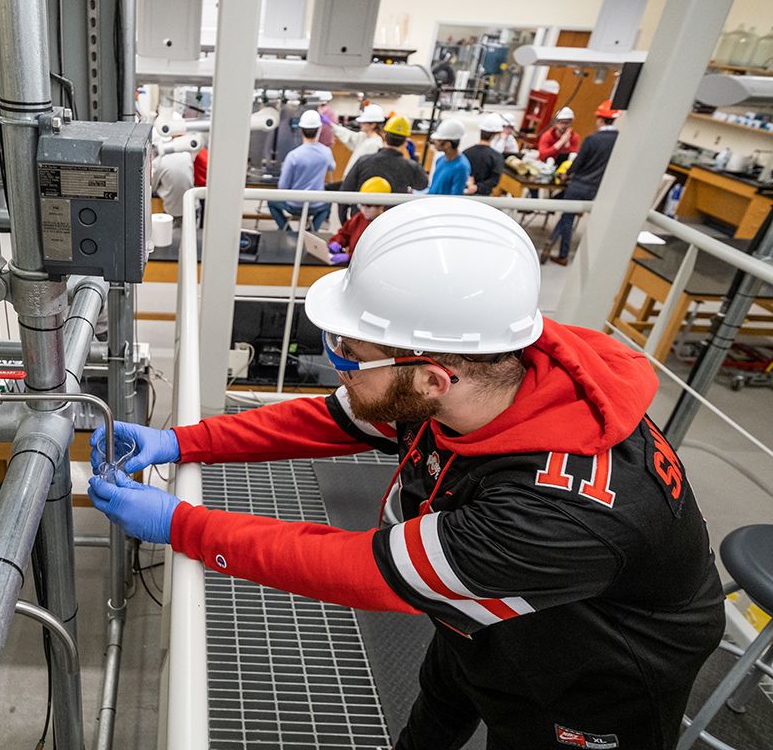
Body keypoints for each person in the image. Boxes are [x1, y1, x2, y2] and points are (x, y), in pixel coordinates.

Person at [87, 198, 724, 750]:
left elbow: (366, 569)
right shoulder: (487, 368)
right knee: (443, 697)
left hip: (588, 674)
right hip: (486, 621)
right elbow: (331, 421)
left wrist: (182, 525)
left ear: (431, 378)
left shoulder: (555, 513)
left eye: (351, 353)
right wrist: (178, 441)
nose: (335, 363)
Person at [542, 100, 622, 266]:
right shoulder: (619, 140)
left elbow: (577, 162)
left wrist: (566, 174)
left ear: (600, 119)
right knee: (566, 215)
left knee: (567, 217)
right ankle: (551, 241)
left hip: (579, 185)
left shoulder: (592, 140)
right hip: (596, 187)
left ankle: (563, 254)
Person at [338, 116, 427, 222]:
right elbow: (422, 184)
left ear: (384, 136)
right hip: (390, 224)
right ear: (405, 142)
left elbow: (344, 193)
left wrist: (346, 224)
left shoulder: (364, 161)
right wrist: (415, 160)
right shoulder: (411, 166)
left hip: (361, 221)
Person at [266, 109, 335, 231]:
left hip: (294, 205)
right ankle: (311, 232)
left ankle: (287, 231)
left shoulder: (293, 156)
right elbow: (332, 167)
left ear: (301, 130)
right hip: (316, 205)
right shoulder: (326, 152)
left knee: (271, 202)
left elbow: (283, 186)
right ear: (319, 129)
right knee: (327, 206)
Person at [326, 177, 389, 264]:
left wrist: (349, 257)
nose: (364, 210)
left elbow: (377, 254)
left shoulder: (386, 225)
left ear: (382, 206)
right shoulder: (359, 218)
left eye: (369, 206)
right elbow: (344, 234)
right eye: (361, 205)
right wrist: (336, 242)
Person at [331, 104, 385, 176]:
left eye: (363, 122)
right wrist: (331, 125)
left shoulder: (373, 144)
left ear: (373, 125)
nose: (360, 124)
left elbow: (364, 169)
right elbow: (349, 136)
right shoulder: (364, 137)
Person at [463, 114, 505, 196]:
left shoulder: (466, 152)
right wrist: (477, 188)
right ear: (496, 135)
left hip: (463, 194)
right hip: (483, 199)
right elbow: (494, 181)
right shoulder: (496, 157)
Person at [426, 118, 470, 196]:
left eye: (438, 140)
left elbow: (456, 197)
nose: (434, 142)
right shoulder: (440, 160)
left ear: (448, 144)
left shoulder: (461, 167)